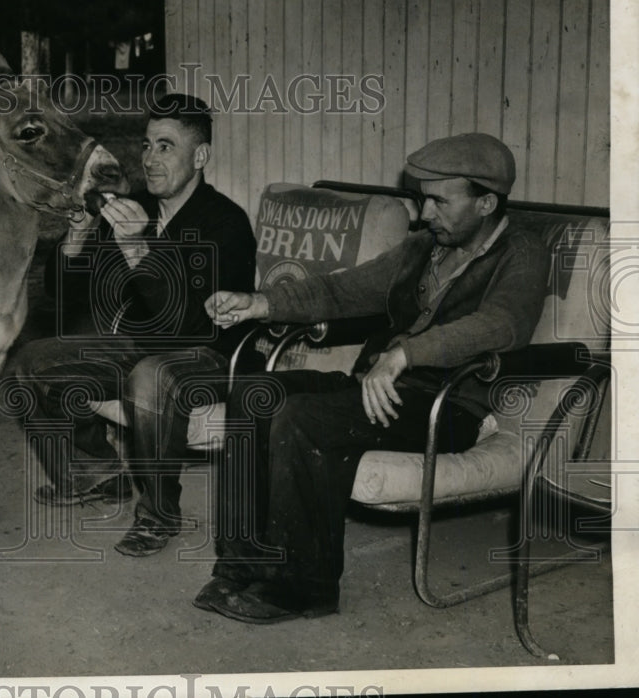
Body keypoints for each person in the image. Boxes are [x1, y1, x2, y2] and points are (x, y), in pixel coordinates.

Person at [194, 132, 549, 623]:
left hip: (445, 408)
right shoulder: (424, 247)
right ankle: (241, 565)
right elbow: (343, 292)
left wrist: (405, 353)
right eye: (424, 199)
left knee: (300, 417)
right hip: (377, 392)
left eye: (440, 202)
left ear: (486, 203)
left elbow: (502, 325)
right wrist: (259, 303)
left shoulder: (521, 252)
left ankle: (304, 588)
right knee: (254, 393)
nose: (425, 213)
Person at [12, 94, 257, 557]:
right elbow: (63, 294)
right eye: (146, 145)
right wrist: (77, 235)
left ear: (200, 156)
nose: (149, 159)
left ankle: (160, 514)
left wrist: (136, 248)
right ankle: (96, 474)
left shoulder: (226, 224)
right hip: (140, 345)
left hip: (209, 356)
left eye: (166, 147)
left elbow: (186, 325)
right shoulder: (135, 207)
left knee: (150, 375)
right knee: (32, 362)